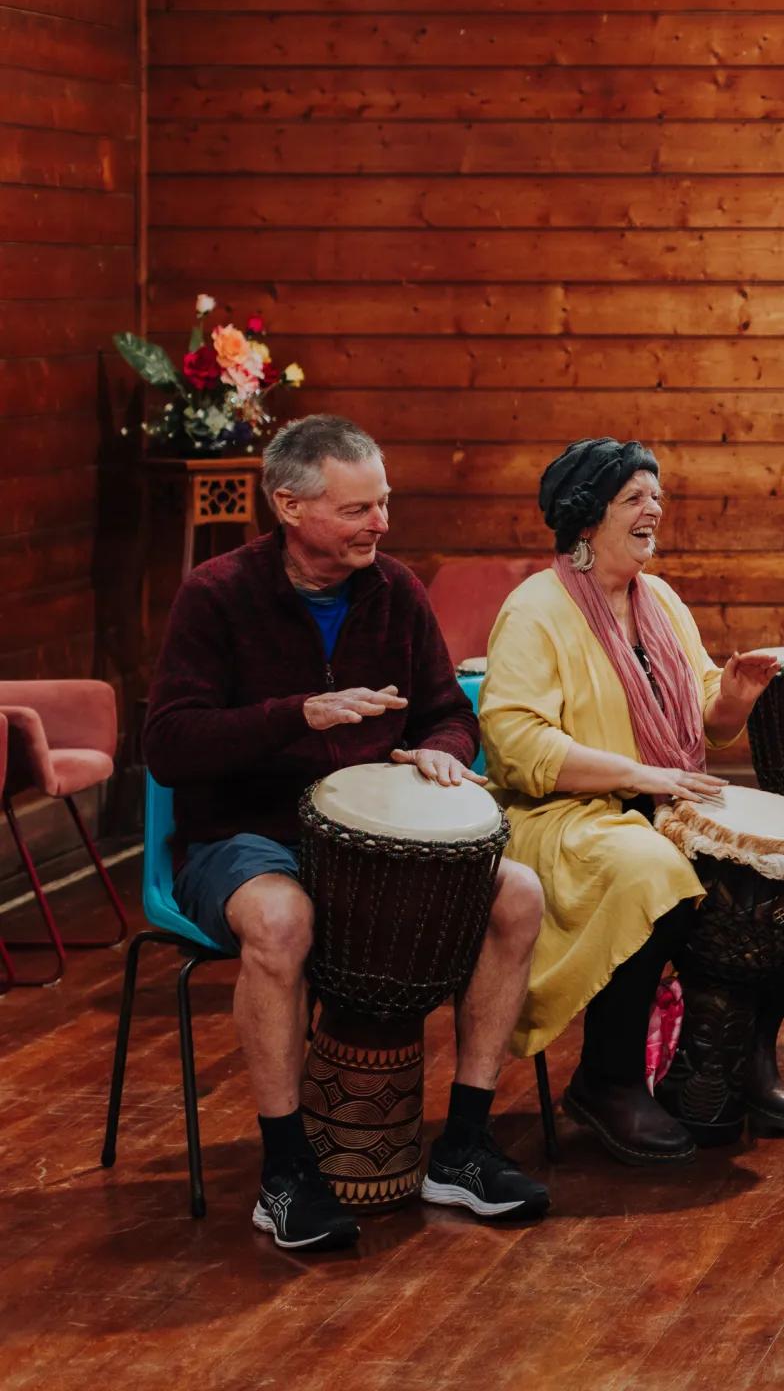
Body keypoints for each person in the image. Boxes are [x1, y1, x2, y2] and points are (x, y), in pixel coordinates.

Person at [143, 414, 549, 1251]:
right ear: (289, 506)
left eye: (384, 504)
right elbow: (169, 744)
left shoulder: (394, 589)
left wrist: (439, 753)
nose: (381, 524)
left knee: (518, 893)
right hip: (242, 837)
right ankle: (286, 1173)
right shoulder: (216, 594)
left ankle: (463, 1146)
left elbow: (445, 712)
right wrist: (296, 714)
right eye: (358, 509)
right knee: (282, 921)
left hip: (372, 841)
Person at [479, 439, 784, 1165]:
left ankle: (734, 1061)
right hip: (563, 815)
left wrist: (734, 696)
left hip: (656, 799)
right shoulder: (534, 610)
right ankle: (607, 1078)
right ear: (587, 520)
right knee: (646, 865)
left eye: (656, 496)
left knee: (778, 869)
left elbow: (704, 711)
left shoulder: (662, 600)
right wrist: (640, 776)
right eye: (634, 499)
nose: (655, 510)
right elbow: (516, 744)